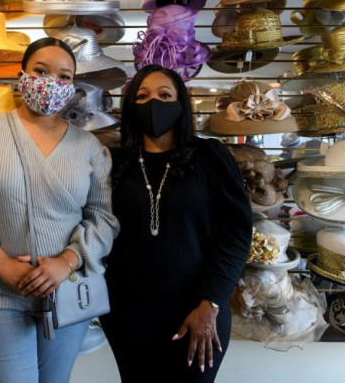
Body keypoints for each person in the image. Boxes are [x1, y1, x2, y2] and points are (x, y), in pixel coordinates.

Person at [0, 37, 120, 383]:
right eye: (41, 70)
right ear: (22, 75)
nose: (52, 82)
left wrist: (66, 262)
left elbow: (103, 217)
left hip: (65, 292)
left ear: (73, 86)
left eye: (64, 76)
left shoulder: (89, 147)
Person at [100, 64, 253, 383]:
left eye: (164, 95)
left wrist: (210, 302)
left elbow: (235, 234)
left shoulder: (209, 156)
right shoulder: (115, 163)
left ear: (181, 103)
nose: (153, 103)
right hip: (128, 314)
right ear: (130, 106)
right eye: (142, 96)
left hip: (198, 308)